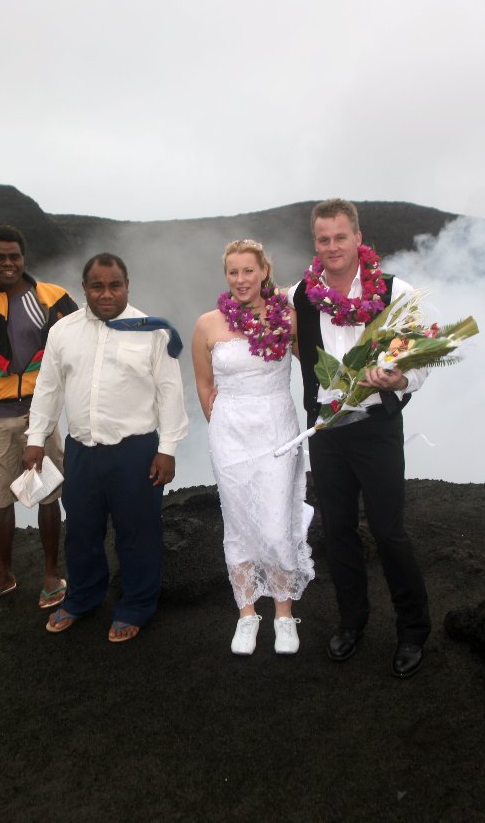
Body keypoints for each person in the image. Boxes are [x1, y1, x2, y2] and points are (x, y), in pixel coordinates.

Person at [288, 199, 431, 678]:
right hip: (326, 433)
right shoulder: (300, 296)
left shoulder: (396, 291)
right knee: (338, 531)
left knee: (389, 532)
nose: (332, 246)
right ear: (316, 243)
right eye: (323, 239)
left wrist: (401, 380)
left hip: (377, 430)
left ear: (358, 238)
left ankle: (413, 629)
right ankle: (353, 621)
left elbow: (422, 359)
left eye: (340, 237)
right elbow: (264, 331)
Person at [22, 253, 189, 643]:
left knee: (138, 533)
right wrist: (35, 441)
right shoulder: (63, 332)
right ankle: (82, 599)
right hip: (81, 451)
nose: (106, 292)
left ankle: (136, 605)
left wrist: (168, 449)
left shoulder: (152, 331)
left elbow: (170, 393)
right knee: (81, 531)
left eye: (115, 284)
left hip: (136, 453)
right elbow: (48, 389)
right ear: (84, 289)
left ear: (127, 285)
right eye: (97, 285)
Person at [191, 240, 314, 656]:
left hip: (278, 428)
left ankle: (284, 614)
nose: (241, 279)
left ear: (264, 271)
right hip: (230, 434)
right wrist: (225, 429)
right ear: (226, 275)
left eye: (249, 271)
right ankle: (247, 614)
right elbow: (206, 388)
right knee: (239, 521)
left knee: (278, 519)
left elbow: (315, 367)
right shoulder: (208, 325)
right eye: (233, 272)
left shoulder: (289, 318)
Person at [0, 224, 78, 610]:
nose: (8, 263)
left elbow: (82, 352)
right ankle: (3, 575)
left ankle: (51, 575)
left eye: (14, 256)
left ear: (24, 258)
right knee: (2, 497)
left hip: (43, 413)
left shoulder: (54, 299)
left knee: (48, 493)